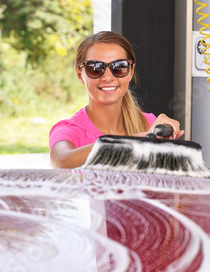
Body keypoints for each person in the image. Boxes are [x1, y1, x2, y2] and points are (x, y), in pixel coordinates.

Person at [49, 31, 184, 169]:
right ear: (80, 74)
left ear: (131, 71)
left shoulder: (149, 123)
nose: (108, 77)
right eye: (95, 68)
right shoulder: (69, 130)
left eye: (119, 67)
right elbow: (62, 162)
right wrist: (141, 139)